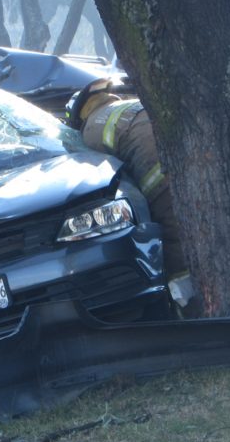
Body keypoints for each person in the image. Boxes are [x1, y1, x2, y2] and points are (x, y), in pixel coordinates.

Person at [65, 79, 198, 315]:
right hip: (194, 159)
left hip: (159, 176)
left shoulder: (90, 132)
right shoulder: (131, 105)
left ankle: (191, 309)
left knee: (173, 238)